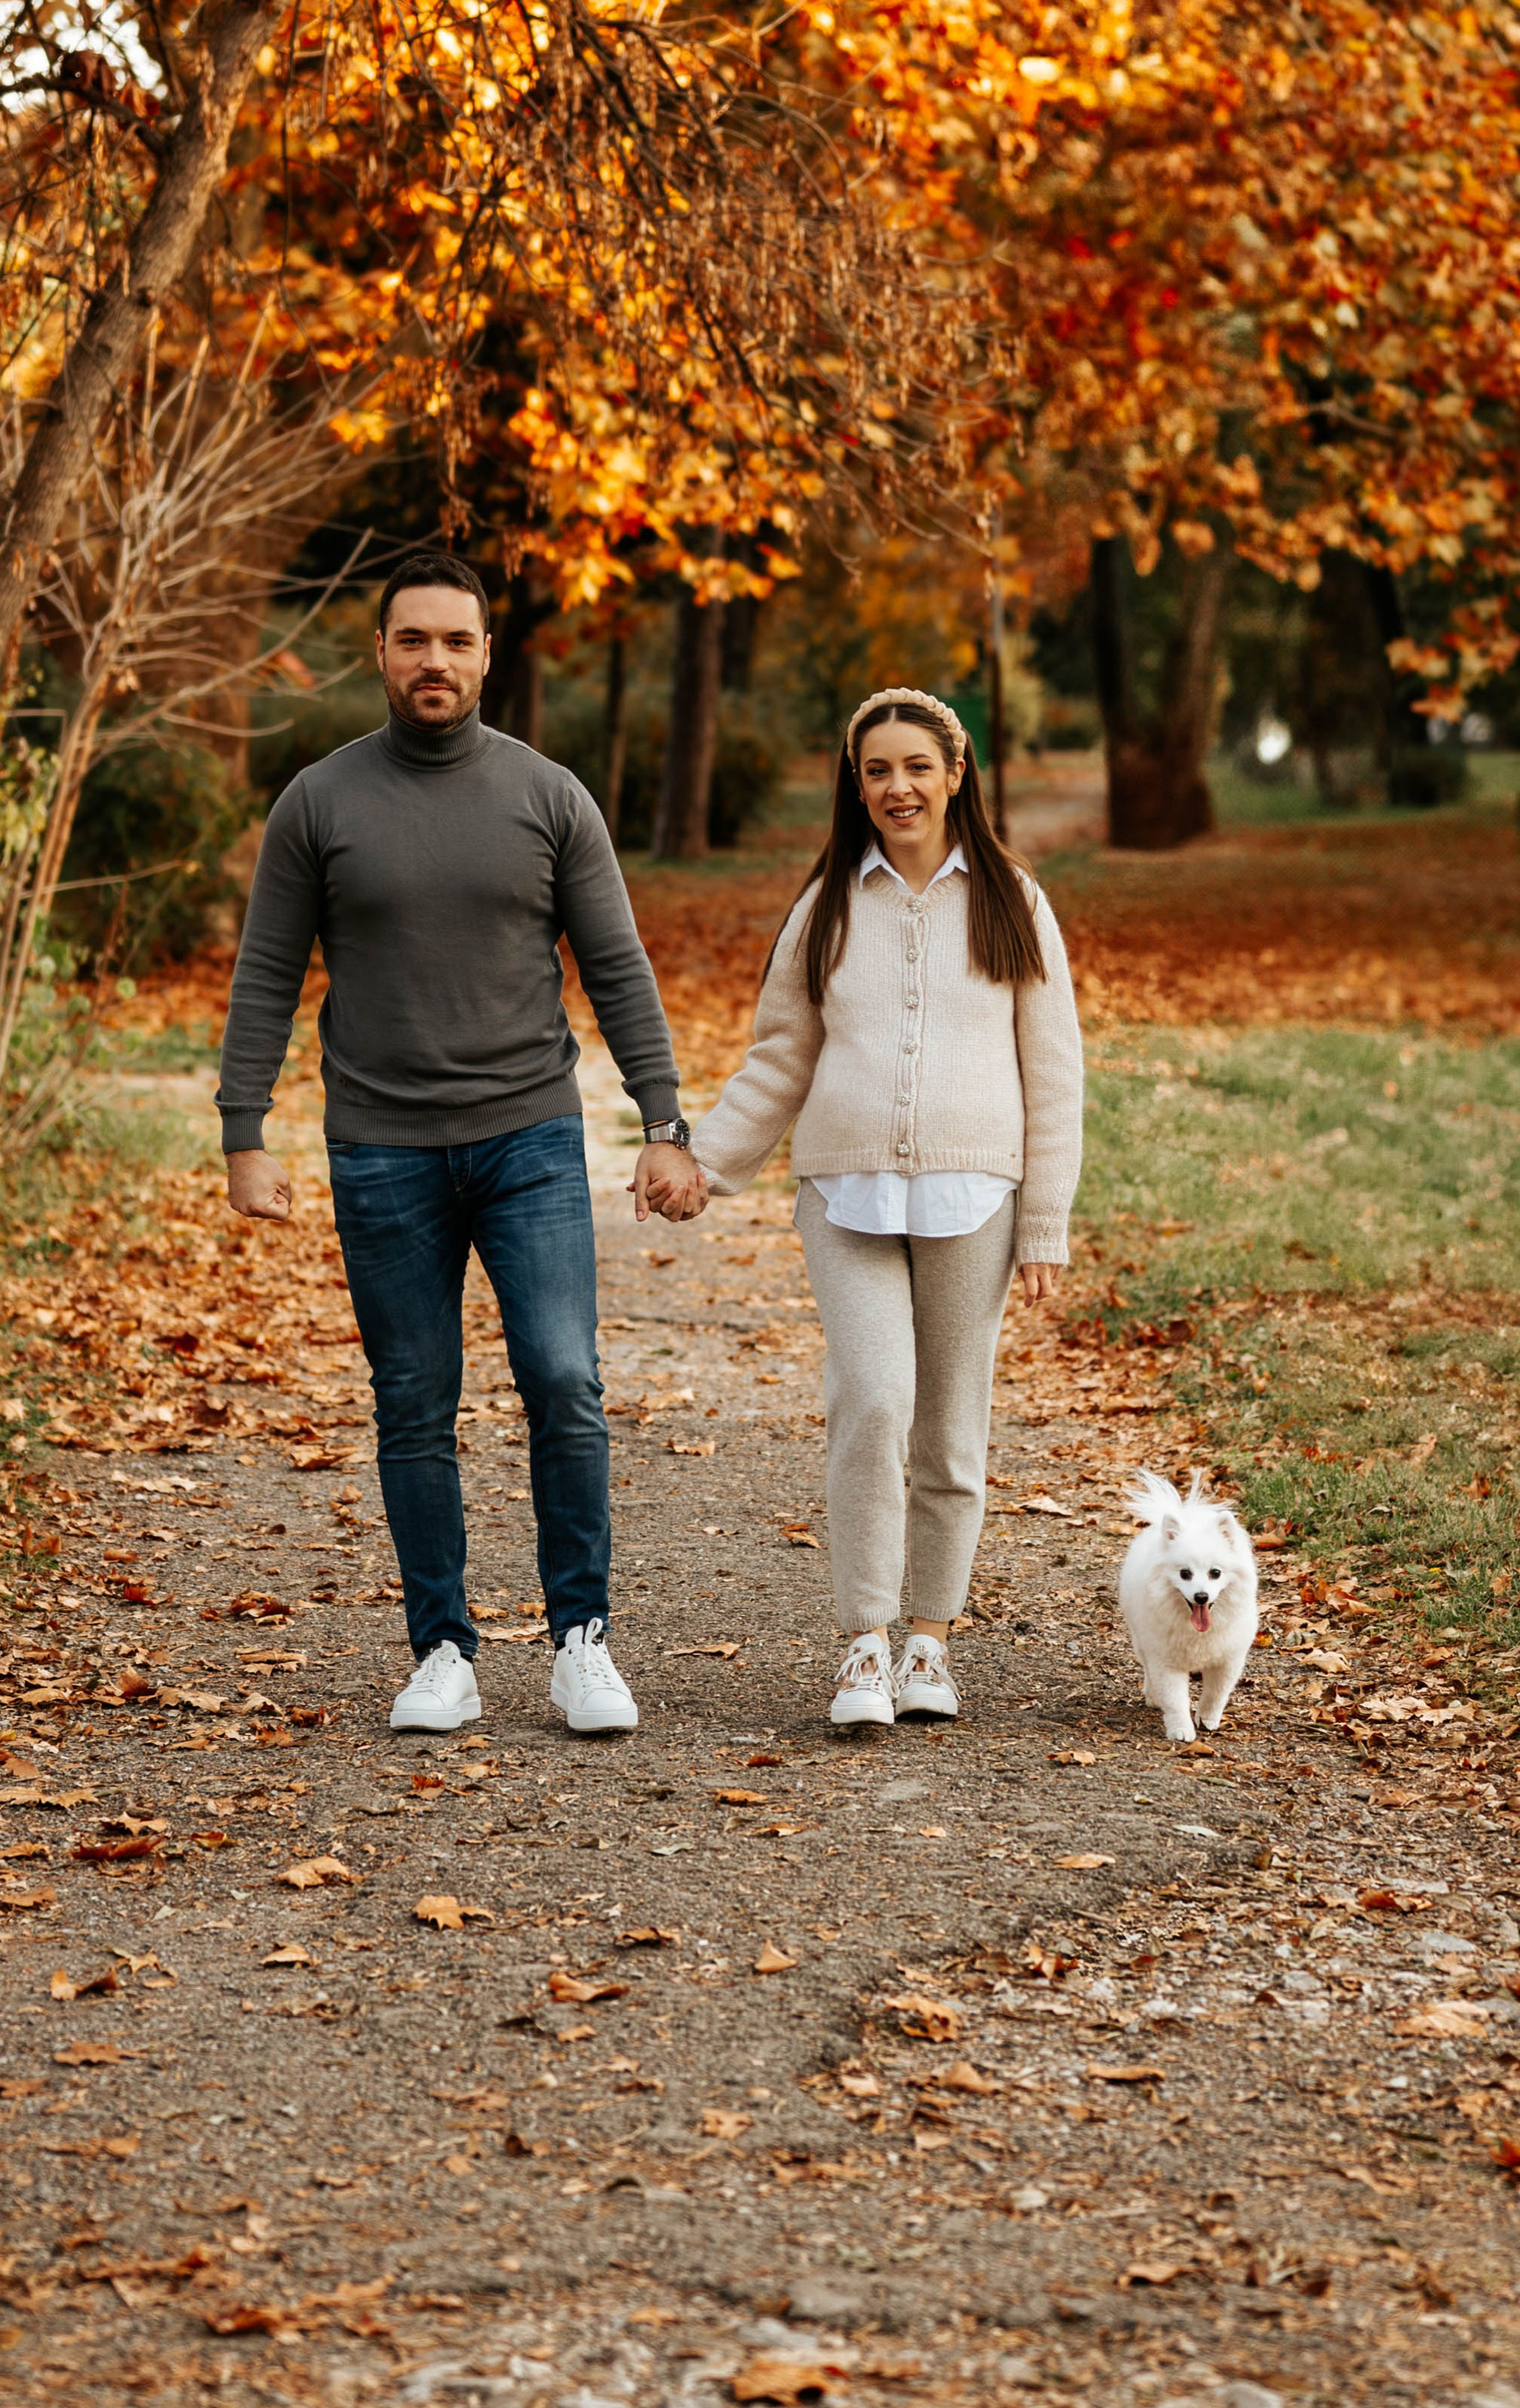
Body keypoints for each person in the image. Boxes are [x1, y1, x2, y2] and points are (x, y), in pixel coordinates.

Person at [215, 554, 705, 1738]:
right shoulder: (318, 802)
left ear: (488, 655)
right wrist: (245, 1132)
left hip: (528, 1135)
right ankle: (442, 1649)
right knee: (413, 1401)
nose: (434, 660)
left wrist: (664, 1123)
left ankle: (581, 1640)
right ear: (380, 654)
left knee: (563, 1378)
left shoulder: (549, 796)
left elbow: (618, 966)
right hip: (380, 1149)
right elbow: (267, 971)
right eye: (413, 640)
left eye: (456, 640)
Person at [691, 687, 1083, 1729]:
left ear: (956, 773)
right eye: (875, 771)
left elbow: (1053, 1075)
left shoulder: (1013, 902)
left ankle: (929, 1645)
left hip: (975, 1198)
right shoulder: (826, 905)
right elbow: (780, 1057)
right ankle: (865, 1641)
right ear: (855, 786)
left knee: (950, 1428)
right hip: (845, 1193)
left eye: (915, 766)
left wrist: (1044, 1223)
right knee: (871, 1401)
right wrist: (701, 1163)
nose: (896, 787)